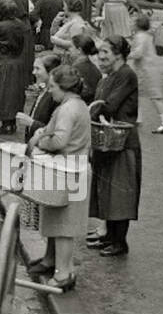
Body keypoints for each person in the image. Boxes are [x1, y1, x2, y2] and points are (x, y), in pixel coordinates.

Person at [25, 64, 91, 291]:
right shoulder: (77, 105)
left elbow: (60, 141)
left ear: (64, 87)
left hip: (68, 171)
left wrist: (40, 142)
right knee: (55, 218)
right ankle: (50, 260)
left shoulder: (67, 109)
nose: (49, 90)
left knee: (64, 225)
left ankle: (64, 274)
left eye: (52, 86)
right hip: (70, 169)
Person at [88, 36, 141, 257]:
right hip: (109, 141)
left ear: (118, 54)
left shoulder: (126, 75)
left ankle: (120, 242)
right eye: (100, 52)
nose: (100, 56)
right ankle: (109, 236)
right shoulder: (108, 77)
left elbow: (108, 106)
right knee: (108, 191)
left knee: (120, 195)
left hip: (123, 142)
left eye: (105, 52)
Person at [0, 0, 32, 135]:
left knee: (2, 95)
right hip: (16, 62)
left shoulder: (0, 26)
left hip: (2, 62)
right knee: (13, 96)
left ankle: (6, 125)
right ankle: (11, 124)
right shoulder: (20, 24)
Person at [130, 14, 163, 134]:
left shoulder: (140, 36)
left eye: (133, 22)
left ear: (138, 25)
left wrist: (126, 54)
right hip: (149, 70)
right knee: (136, 93)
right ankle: (138, 118)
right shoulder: (147, 36)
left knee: (155, 97)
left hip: (146, 71)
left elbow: (138, 54)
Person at [25, 53, 62, 142]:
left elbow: (56, 131)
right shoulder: (45, 88)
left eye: (38, 68)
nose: (34, 72)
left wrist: (31, 123)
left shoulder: (55, 96)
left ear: (51, 71)